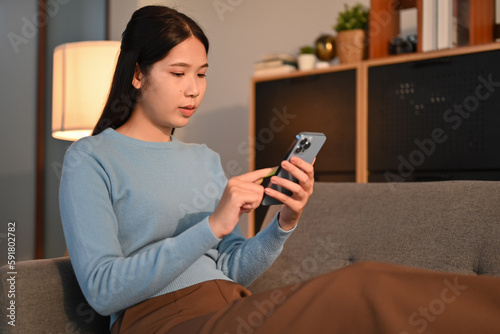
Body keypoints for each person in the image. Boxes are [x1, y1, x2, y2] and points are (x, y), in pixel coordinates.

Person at [60, 5, 500, 334]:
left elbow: (232, 269)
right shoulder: (92, 158)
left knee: (377, 289)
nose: (194, 90)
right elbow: (102, 292)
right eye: (178, 73)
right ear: (137, 74)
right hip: (161, 322)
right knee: (364, 285)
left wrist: (282, 223)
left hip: (233, 305)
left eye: (202, 73)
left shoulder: (204, 159)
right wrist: (211, 226)